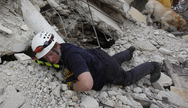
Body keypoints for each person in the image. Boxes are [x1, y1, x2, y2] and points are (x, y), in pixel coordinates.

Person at [31, 31, 162, 92]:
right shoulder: (62, 48)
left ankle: (153, 66)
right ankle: (129, 52)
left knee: (127, 78)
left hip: (106, 70)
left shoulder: (72, 57)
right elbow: (48, 58)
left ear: (56, 46)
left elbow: (87, 84)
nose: (50, 60)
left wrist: (72, 85)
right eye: (46, 58)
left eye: (50, 55)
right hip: (98, 57)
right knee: (114, 60)